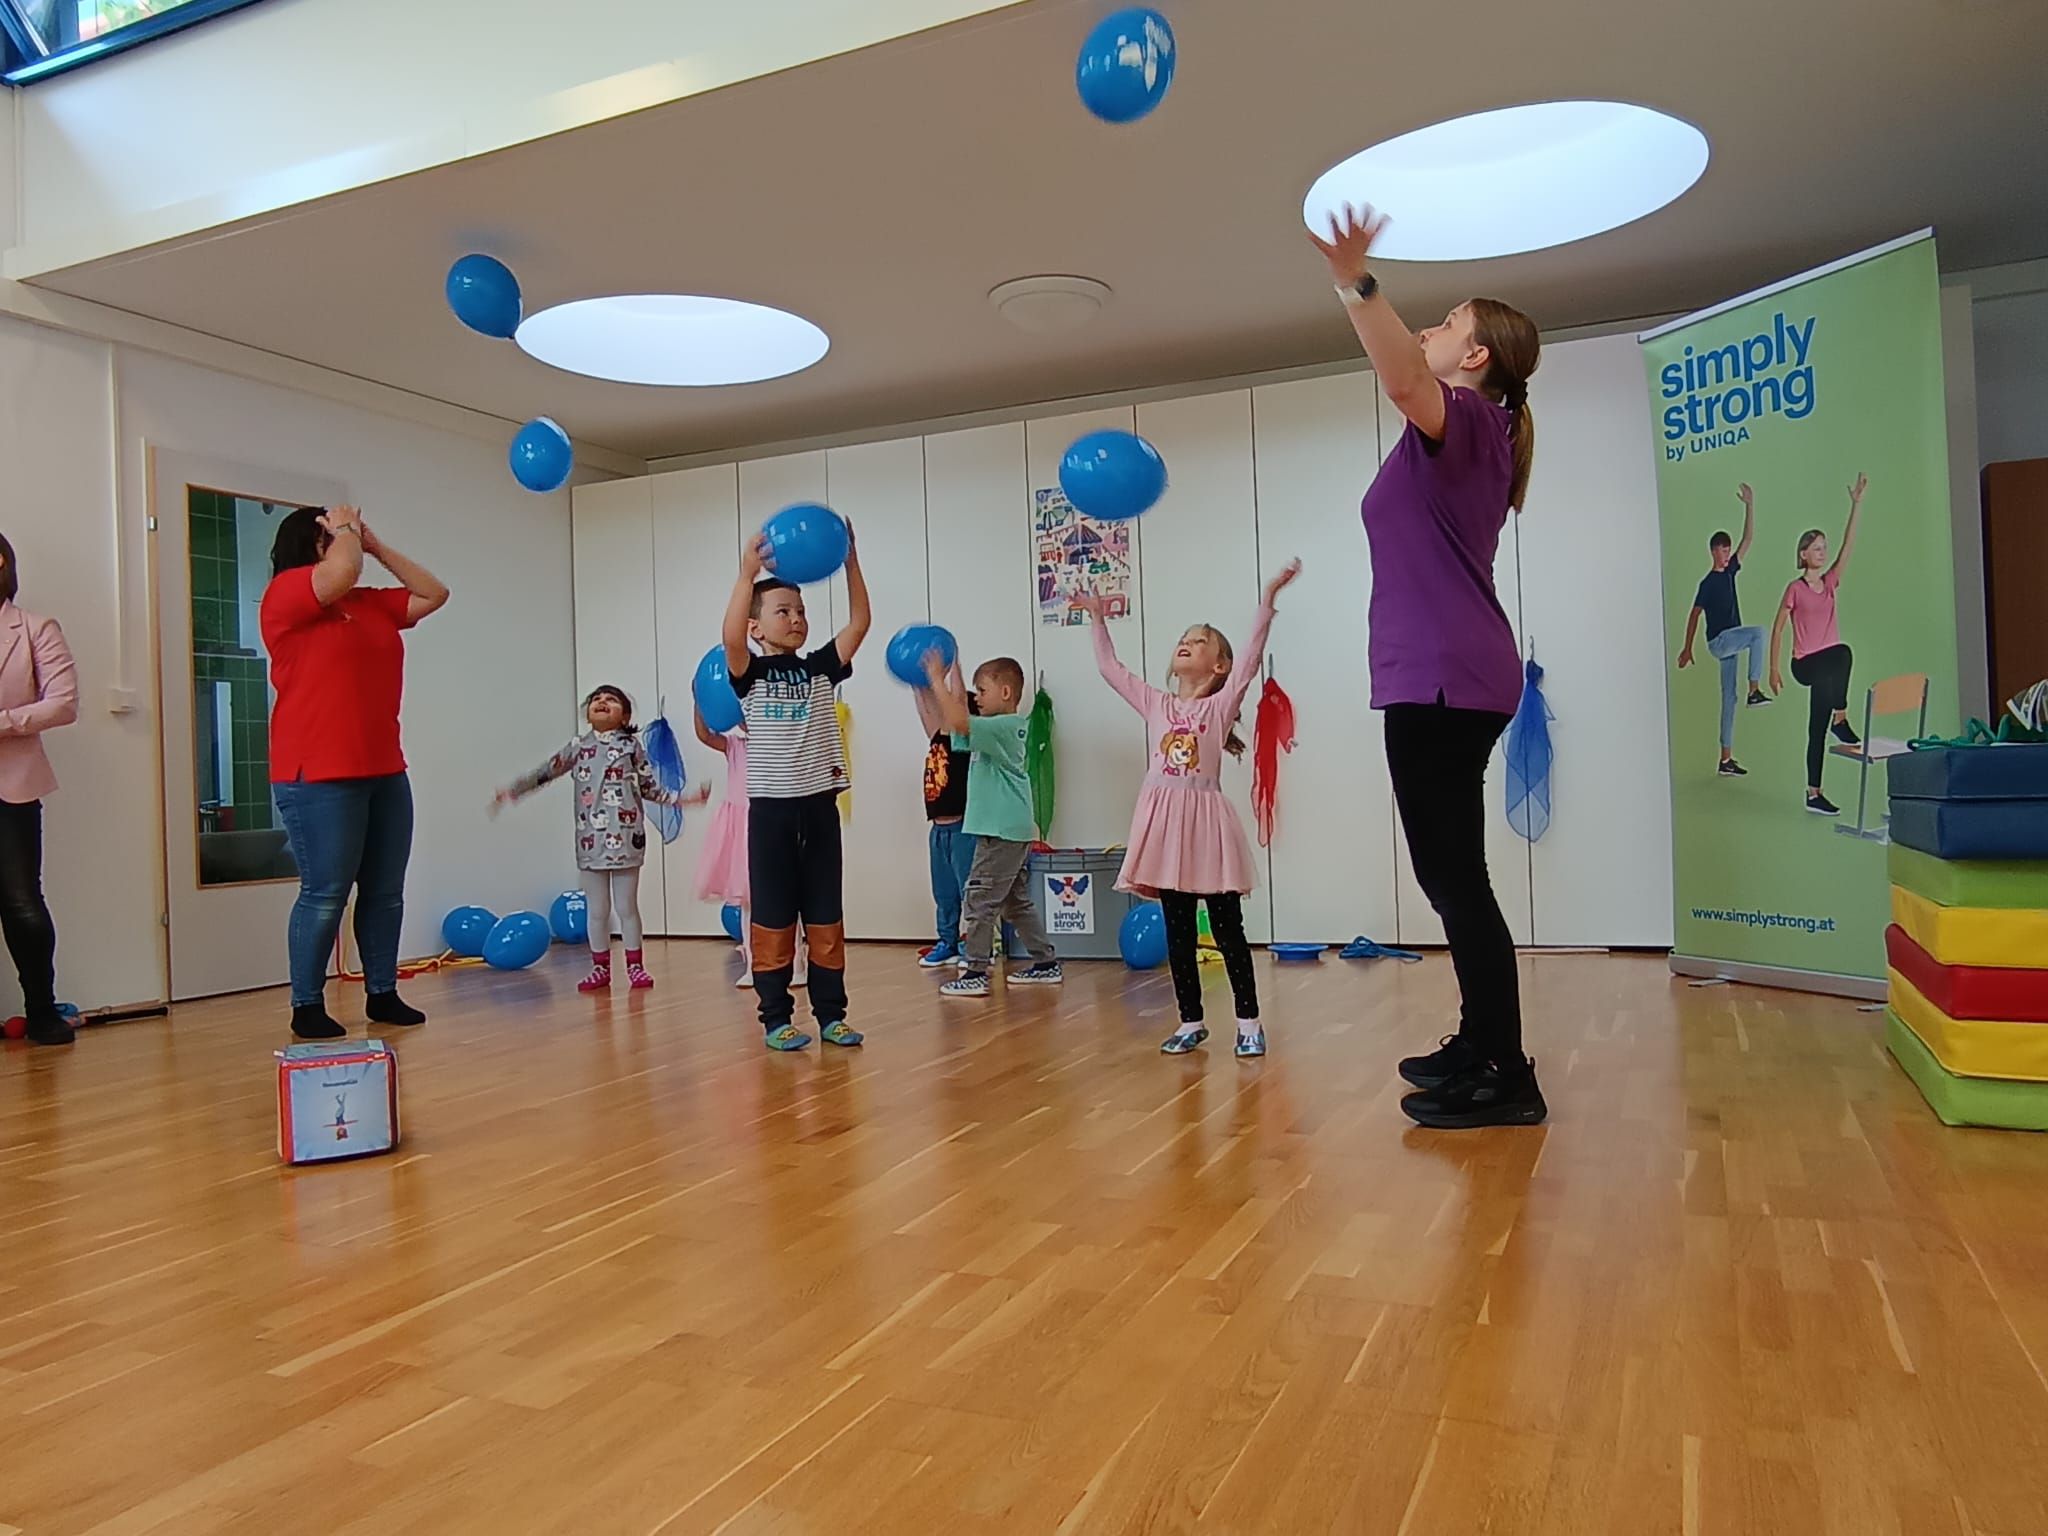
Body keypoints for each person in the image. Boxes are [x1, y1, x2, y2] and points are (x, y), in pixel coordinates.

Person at [1309, 201, 1546, 1130]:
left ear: (1478, 356)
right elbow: (1411, 385)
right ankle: (1479, 1042)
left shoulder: (1475, 422)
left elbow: (1404, 379)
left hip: (1445, 677)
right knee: (1452, 874)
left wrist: (1356, 281)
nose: (1435, 330)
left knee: (1455, 878)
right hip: (1442, 674)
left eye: (1450, 325)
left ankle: (1507, 1073)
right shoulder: (1458, 436)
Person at [1077, 560, 1299, 1056]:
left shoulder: (1218, 708)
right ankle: (1190, 1020)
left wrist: (1267, 601)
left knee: (1226, 929)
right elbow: (1110, 669)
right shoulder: (1156, 704)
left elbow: (1250, 659)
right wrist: (1096, 617)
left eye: (1200, 641)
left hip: (1205, 825)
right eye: (1184, 638)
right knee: (1178, 931)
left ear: (1218, 666)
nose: (1187, 642)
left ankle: (1248, 1023)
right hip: (1163, 826)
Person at [262, 505, 448, 1040]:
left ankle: (383, 992)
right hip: (316, 773)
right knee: (325, 892)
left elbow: (435, 593)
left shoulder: (369, 604)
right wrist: (344, 530)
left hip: (384, 768)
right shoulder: (287, 595)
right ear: (311, 542)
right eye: (332, 536)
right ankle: (306, 1003)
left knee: (386, 889)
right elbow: (338, 573)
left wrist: (375, 545)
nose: (344, 545)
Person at [721, 525, 870, 1051]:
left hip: (819, 811)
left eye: (801, 612)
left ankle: (832, 1014)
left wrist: (850, 562)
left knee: (826, 916)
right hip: (771, 816)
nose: (796, 619)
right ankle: (775, 1017)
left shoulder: (821, 670)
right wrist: (746, 577)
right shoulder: (750, 673)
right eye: (782, 611)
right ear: (758, 626)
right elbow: (731, 640)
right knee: (774, 919)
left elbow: (860, 622)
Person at [493, 685, 703, 993]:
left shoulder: (632, 747)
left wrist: (683, 799)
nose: (602, 702)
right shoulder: (578, 746)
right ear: (587, 712)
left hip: (627, 839)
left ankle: (636, 967)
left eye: (611, 700)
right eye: (596, 700)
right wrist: (514, 790)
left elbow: (650, 786)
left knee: (627, 906)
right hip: (590, 841)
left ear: (625, 715)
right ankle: (599, 969)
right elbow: (546, 772)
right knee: (597, 909)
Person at [925, 653, 1063, 999]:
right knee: (1015, 902)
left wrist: (935, 680)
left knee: (979, 900)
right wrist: (955, 673)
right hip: (1008, 830)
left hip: (1001, 831)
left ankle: (975, 970)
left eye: (982, 691)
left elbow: (957, 718)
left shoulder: (1003, 727)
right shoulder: (996, 731)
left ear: (1005, 692)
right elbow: (959, 717)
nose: (977, 698)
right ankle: (1046, 963)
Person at [0, 534, 79, 1047]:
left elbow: (64, 703)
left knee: (22, 901)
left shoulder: (33, 628)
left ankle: (42, 1011)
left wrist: (3, 722)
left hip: (13, 785)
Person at [1769, 475, 1868, 817]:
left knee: (1815, 730)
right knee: (1843, 653)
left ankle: (1814, 793)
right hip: (1805, 665)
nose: (1823, 552)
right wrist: (1773, 668)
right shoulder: (1795, 588)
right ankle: (1841, 717)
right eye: (1816, 548)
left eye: (1825, 547)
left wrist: (1856, 503)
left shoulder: (1830, 582)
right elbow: (1778, 628)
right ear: (1803, 554)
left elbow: (1848, 545)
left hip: (1826, 670)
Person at [1677, 483, 1772, 776]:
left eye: (1728, 549)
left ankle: (1725, 759)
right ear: (1713, 551)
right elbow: (1694, 615)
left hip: (1730, 641)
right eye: (1722, 549)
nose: (1727, 552)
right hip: (1719, 642)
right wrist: (1687, 647)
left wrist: (1750, 505)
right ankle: (1754, 690)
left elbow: (1749, 538)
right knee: (1758, 633)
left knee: (1728, 699)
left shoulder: (1731, 571)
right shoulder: (1707, 583)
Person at [913, 659, 977, 970]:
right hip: (938, 830)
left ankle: (977, 946)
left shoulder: (963, 740)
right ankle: (947, 942)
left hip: (963, 828)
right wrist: (917, 681)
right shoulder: (937, 737)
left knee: (970, 890)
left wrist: (954, 669)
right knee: (944, 893)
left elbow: (959, 703)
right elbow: (926, 709)